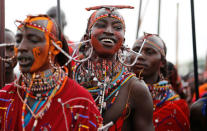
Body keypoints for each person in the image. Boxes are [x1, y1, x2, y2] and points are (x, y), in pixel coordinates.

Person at [0, 15, 102, 130]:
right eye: (18, 40)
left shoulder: (80, 102)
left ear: (55, 48)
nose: (22, 47)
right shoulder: (4, 97)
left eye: (33, 40)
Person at [73, 5, 154, 130]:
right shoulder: (69, 79)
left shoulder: (136, 88)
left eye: (117, 27)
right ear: (86, 37)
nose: (109, 31)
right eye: (101, 25)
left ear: (123, 40)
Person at [131, 33, 190, 131]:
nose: (140, 56)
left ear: (162, 62)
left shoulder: (175, 105)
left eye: (149, 52)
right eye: (136, 50)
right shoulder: (118, 92)